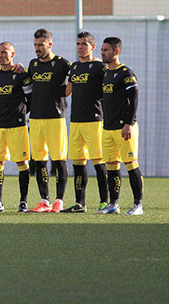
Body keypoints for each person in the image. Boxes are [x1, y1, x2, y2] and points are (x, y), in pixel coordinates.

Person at [61, 32, 108, 213]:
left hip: (94, 121)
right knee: (78, 163)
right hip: (76, 122)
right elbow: (67, 91)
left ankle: (105, 202)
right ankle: (80, 203)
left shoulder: (99, 67)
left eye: (84, 44)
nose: (80, 47)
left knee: (98, 162)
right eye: (78, 44)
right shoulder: (74, 68)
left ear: (92, 47)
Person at [27, 28, 72, 213]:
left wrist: (67, 91)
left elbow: (76, 75)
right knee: (39, 160)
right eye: (35, 45)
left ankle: (59, 200)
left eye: (41, 45)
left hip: (55, 118)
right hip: (36, 118)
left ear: (50, 44)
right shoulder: (33, 64)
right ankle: (44, 200)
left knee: (59, 159)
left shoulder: (62, 63)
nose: (37, 48)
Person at [100, 37, 144, 215]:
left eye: (106, 50)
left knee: (131, 164)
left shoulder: (126, 73)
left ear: (116, 52)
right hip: (107, 127)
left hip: (124, 128)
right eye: (102, 50)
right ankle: (114, 204)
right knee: (111, 166)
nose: (103, 53)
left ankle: (138, 205)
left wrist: (128, 123)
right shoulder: (105, 73)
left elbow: (134, 99)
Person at [0, 42, 33, 213]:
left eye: (5, 52)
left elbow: (30, 99)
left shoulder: (22, 75)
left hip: (17, 126)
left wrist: (21, 113)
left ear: (13, 54)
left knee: (22, 162)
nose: (1, 55)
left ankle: (23, 201)